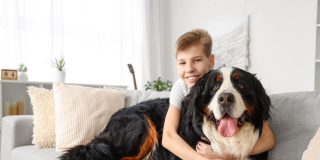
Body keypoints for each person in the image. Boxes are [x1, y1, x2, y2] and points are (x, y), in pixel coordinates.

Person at [162, 29, 276, 160]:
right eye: (182, 62)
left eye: (197, 60)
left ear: (211, 61)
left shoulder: (220, 77)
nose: (189, 69)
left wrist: (228, 156)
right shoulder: (181, 87)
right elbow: (168, 136)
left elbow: (269, 140)